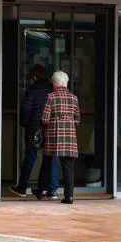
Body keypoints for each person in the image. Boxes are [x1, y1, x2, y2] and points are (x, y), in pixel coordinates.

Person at [9, 64, 58, 199]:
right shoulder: (51, 90)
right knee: (51, 158)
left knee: (30, 156)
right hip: (48, 128)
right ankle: (52, 190)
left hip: (34, 128)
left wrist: (24, 123)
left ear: (34, 77)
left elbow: (26, 107)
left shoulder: (32, 89)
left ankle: (22, 188)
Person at [38, 71, 81, 204]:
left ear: (55, 84)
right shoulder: (74, 98)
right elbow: (78, 120)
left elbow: (45, 119)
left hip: (53, 134)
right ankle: (69, 196)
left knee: (47, 161)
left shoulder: (51, 97)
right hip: (69, 135)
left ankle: (41, 190)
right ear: (66, 83)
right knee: (68, 166)